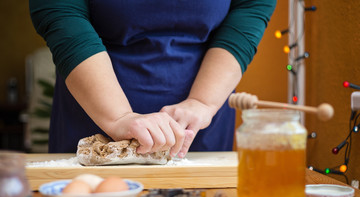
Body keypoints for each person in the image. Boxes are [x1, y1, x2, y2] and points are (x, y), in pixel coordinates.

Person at [29, 0, 276, 156]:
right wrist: (118, 117)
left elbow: (250, 7)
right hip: (94, 117)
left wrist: (202, 102)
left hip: (195, 127)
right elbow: (60, 11)